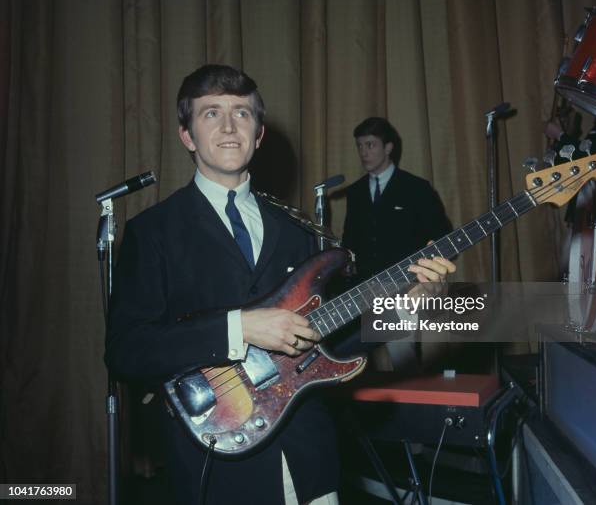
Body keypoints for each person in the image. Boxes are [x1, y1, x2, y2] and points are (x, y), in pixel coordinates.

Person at [105, 65, 455, 505]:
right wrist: (240, 328)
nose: (230, 126)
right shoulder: (152, 231)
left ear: (260, 133)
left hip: (309, 461)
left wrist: (405, 311)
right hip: (214, 470)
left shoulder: (297, 230)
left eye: (242, 114)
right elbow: (126, 351)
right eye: (211, 114)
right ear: (187, 136)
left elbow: (334, 342)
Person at [343, 117, 452, 282]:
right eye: (360, 145)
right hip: (364, 291)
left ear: (388, 148)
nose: (363, 152)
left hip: (409, 286)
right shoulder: (354, 192)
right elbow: (349, 243)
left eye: (370, 145)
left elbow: (441, 236)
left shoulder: (417, 188)